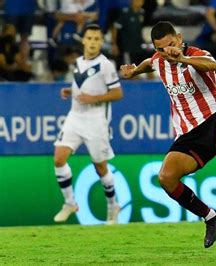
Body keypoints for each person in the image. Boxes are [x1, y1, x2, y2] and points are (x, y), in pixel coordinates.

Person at [120, 21, 216, 248]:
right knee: (166, 178)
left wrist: (181, 58)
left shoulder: (196, 55)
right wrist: (134, 71)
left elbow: (212, 64)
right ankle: (211, 217)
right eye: (161, 49)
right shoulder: (158, 61)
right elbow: (148, 63)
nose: (167, 51)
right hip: (187, 134)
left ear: (180, 39)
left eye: (171, 45)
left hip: (212, 119)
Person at [53, 24, 123, 225]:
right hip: (75, 117)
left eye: (96, 39)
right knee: (59, 159)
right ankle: (70, 203)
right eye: (89, 38)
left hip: (96, 121)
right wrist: (70, 91)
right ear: (83, 40)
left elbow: (118, 93)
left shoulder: (106, 65)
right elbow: (82, 87)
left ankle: (113, 206)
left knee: (100, 168)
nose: (92, 42)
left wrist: (94, 98)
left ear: (101, 42)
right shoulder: (77, 62)